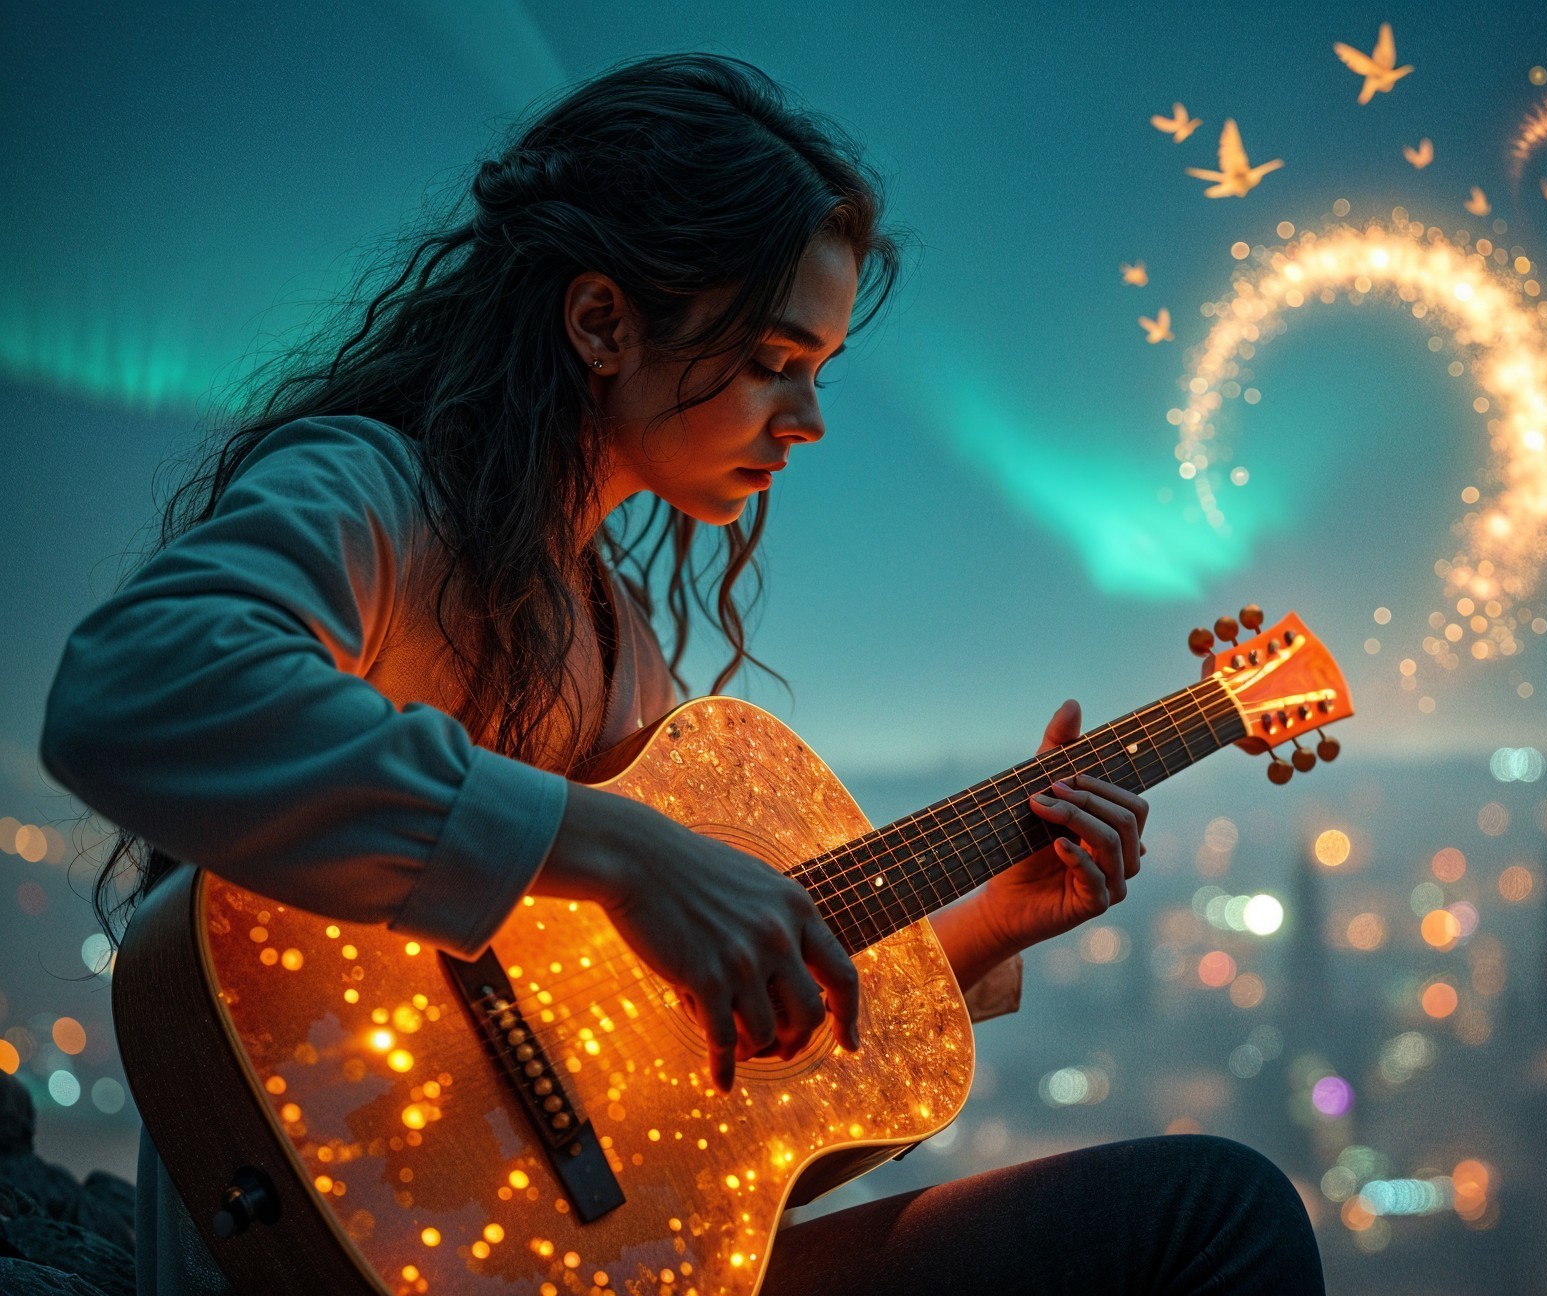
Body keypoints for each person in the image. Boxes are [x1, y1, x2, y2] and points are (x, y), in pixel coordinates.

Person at [38, 52, 1324, 1296]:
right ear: (602, 321)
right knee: (1216, 1219)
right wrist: (625, 854)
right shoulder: (371, 494)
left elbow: (680, 1092)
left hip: (571, 1262)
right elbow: (137, 689)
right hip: (333, 1243)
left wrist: (986, 921)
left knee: (1203, 1211)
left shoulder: (616, 638)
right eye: (773, 363)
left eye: (817, 374)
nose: (808, 421)